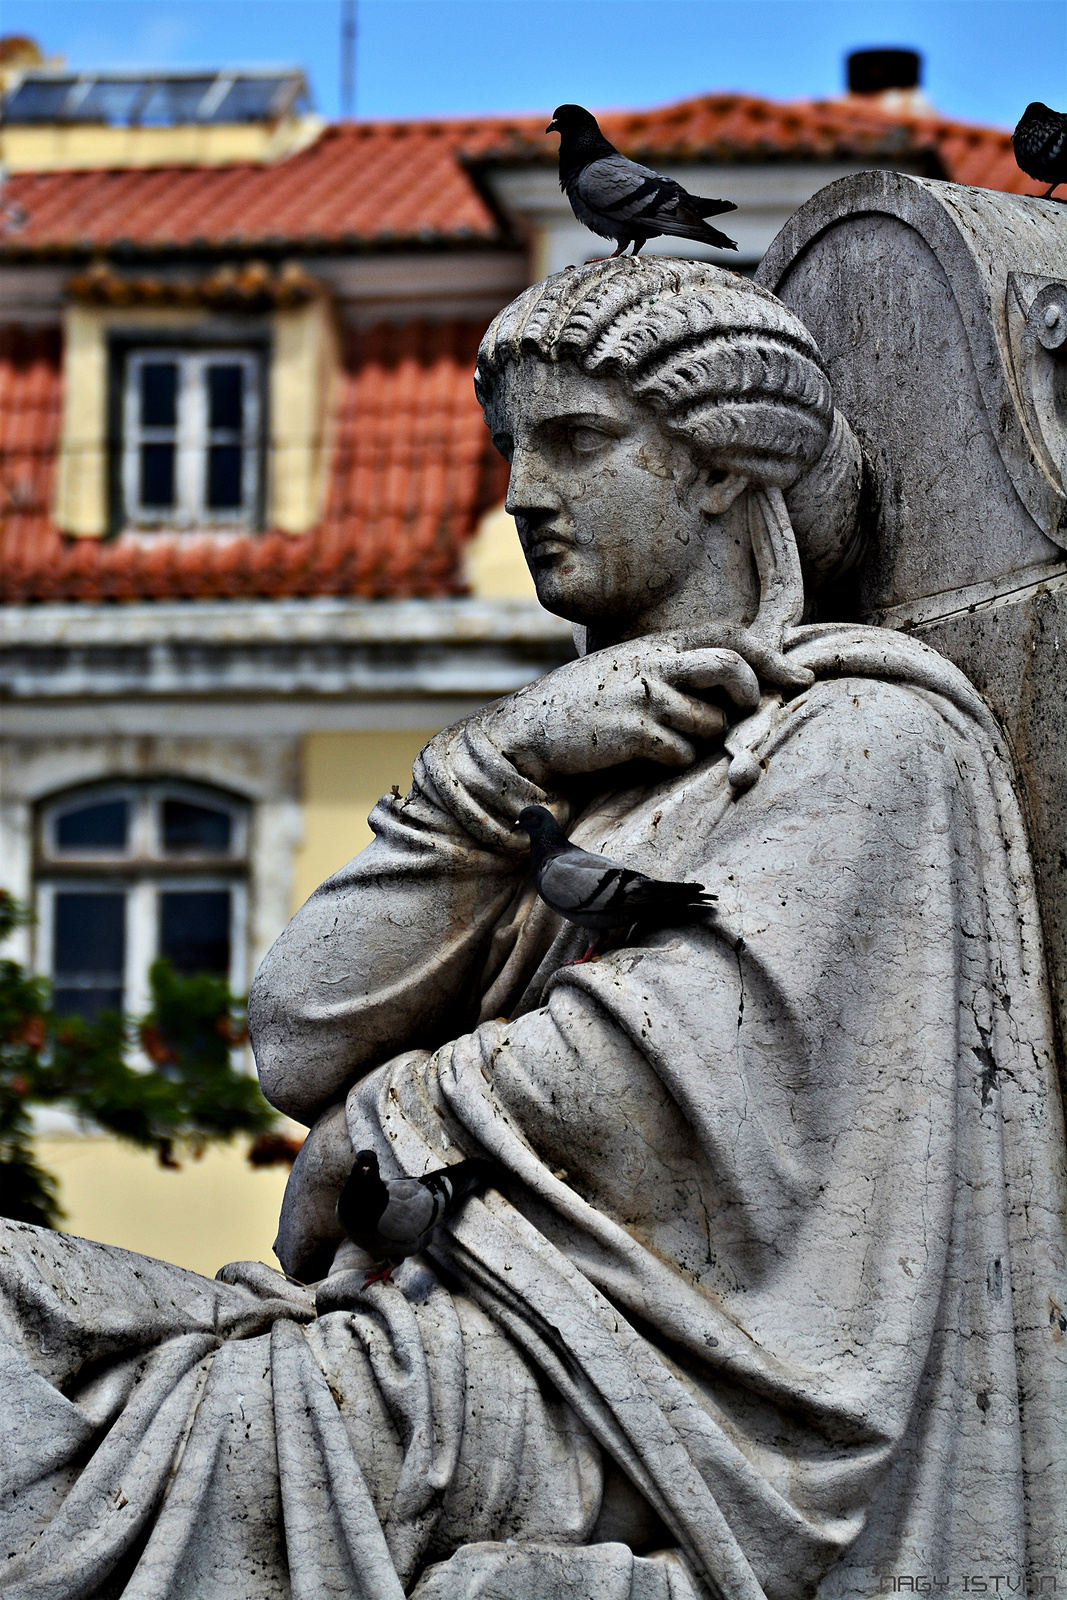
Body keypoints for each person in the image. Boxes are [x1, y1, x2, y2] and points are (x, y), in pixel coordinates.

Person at [2, 259, 1065, 1600]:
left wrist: (393, 1114)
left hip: (650, 1389)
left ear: (726, 469)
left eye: (577, 443)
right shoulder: (567, 768)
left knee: (194, 1444)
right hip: (472, 1321)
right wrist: (496, 760)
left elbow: (671, 1069)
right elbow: (292, 1031)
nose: (521, 494)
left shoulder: (863, 738)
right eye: (513, 450)